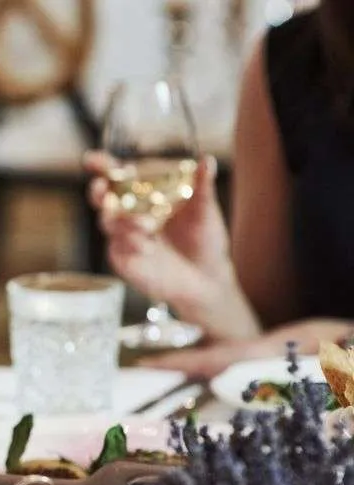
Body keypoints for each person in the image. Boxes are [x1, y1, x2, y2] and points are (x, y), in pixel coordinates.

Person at [86, 1, 354, 377]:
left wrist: (337, 340)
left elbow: (296, 346)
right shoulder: (288, 59)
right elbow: (267, 345)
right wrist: (207, 291)